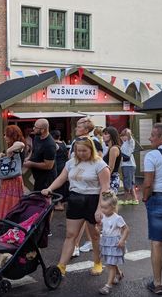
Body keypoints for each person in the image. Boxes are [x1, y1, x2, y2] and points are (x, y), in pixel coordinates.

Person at [41, 137, 110, 277]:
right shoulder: (71, 163)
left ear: (91, 149)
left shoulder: (100, 164)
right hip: (75, 200)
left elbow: (105, 188)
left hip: (93, 200)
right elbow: (62, 178)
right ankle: (61, 267)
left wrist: (99, 209)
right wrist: (49, 188)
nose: (81, 153)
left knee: (94, 236)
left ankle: (98, 263)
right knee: (70, 235)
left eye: (84, 150)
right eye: (78, 150)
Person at [142, 123, 162, 295]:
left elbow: (147, 183)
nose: (149, 138)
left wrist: (145, 198)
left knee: (157, 243)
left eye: (153, 135)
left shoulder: (152, 155)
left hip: (159, 198)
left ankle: (157, 283)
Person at [71, 117, 103, 256]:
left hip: (91, 188)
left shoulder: (94, 141)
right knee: (82, 221)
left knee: (89, 222)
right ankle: (79, 245)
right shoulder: (75, 141)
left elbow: (99, 160)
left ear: (86, 129)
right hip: (77, 184)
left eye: (78, 126)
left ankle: (80, 246)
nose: (76, 128)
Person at [98, 190, 129, 295]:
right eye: (102, 207)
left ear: (113, 206)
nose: (103, 210)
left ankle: (108, 286)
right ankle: (119, 274)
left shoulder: (117, 218)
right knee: (110, 262)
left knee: (110, 264)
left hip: (115, 243)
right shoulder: (104, 216)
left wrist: (122, 240)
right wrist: (99, 229)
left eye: (105, 208)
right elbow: (102, 227)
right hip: (106, 242)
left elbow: (126, 229)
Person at [0, 125, 26, 220]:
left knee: (12, 203)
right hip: (6, 180)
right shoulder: (11, 146)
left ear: (12, 135)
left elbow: (21, 144)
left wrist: (8, 151)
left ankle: (11, 223)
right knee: (6, 202)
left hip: (14, 180)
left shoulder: (17, 145)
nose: (4, 137)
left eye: (6, 135)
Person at [23, 118, 57, 191]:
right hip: (37, 176)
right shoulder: (37, 137)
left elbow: (48, 166)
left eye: (36, 127)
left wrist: (31, 164)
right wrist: (29, 157)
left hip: (46, 179)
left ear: (43, 130)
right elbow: (33, 149)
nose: (33, 128)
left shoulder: (50, 144)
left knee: (43, 200)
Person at [50, 129, 69, 211]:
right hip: (64, 165)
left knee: (58, 185)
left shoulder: (54, 145)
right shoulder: (63, 143)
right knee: (64, 184)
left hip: (57, 166)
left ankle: (58, 203)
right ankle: (63, 202)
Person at [119, 128, 139, 205]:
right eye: (122, 136)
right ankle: (134, 199)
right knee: (130, 182)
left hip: (129, 165)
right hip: (126, 165)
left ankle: (126, 199)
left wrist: (127, 132)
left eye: (124, 136)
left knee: (127, 182)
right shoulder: (124, 143)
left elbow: (129, 136)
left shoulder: (130, 142)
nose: (123, 137)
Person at [102, 127, 122, 194]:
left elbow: (111, 167)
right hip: (110, 177)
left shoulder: (114, 148)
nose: (103, 136)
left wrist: (104, 180)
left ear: (112, 135)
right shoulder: (111, 148)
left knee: (108, 201)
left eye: (106, 134)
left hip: (111, 178)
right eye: (103, 134)